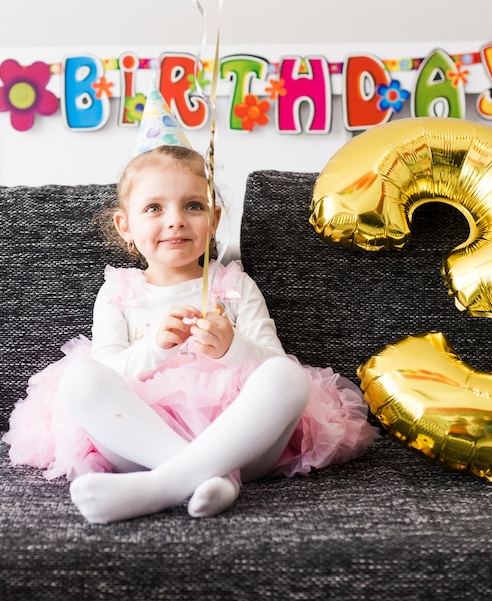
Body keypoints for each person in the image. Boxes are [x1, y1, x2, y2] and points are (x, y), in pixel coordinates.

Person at [2, 90, 378, 525]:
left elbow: (272, 363)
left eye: (193, 206)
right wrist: (156, 349)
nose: (176, 219)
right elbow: (109, 372)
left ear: (214, 220)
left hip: (243, 442)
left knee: (286, 376)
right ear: (126, 226)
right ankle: (205, 479)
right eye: (154, 208)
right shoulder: (119, 291)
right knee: (80, 378)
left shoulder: (232, 284)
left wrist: (232, 348)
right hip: (138, 443)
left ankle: (161, 486)